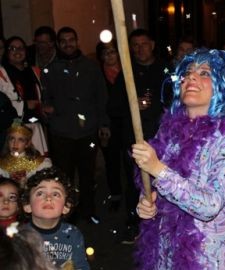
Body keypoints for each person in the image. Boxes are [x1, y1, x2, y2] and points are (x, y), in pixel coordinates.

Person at [133, 49, 225, 269]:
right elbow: (155, 185)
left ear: (223, 86)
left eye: (205, 73)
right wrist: (146, 201)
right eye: (188, 73)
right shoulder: (168, 131)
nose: (191, 77)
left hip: (207, 256)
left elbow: (209, 205)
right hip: (166, 250)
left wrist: (158, 169)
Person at [41, 26, 110, 224]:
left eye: (71, 39)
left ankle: (88, 211)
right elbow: (45, 98)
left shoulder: (91, 67)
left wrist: (104, 124)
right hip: (61, 133)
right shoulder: (51, 69)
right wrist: (48, 112)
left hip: (87, 132)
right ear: (58, 44)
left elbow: (101, 97)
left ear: (77, 41)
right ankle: (67, 213)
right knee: (64, 178)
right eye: (63, 41)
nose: (68, 44)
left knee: (88, 176)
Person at [115, 28, 167, 243]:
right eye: (135, 45)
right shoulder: (126, 73)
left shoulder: (164, 70)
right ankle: (134, 222)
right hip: (134, 138)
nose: (139, 49)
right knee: (134, 181)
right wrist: (131, 106)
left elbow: (175, 101)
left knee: (162, 180)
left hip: (161, 137)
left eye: (143, 44)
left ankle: (163, 222)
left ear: (152, 45)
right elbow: (115, 106)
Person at [22, 167, 89, 269]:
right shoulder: (20, 237)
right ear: (27, 205)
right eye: (40, 193)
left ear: (66, 207)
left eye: (55, 194)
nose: (48, 198)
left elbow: (81, 266)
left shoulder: (73, 234)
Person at [95, 39, 126, 212]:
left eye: (112, 51)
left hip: (126, 122)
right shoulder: (98, 74)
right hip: (107, 123)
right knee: (111, 160)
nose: (110, 56)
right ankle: (115, 194)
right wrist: (102, 124)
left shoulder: (127, 70)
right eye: (106, 53)